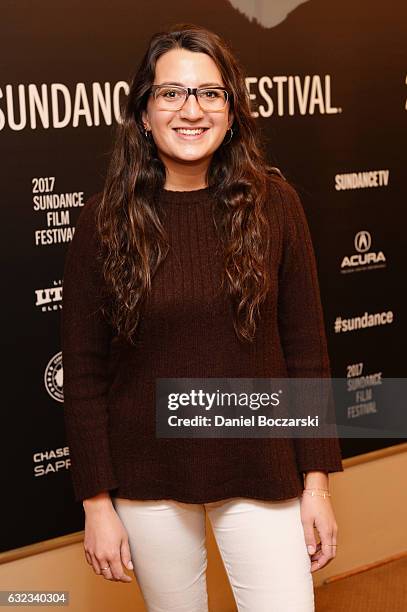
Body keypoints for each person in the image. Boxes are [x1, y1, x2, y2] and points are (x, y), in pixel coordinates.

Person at [61, 23, 343, 612]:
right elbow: (83, 375)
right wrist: (96, 504)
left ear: (233, 110)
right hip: (148, 479)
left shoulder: (276, 206)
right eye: (171, 93)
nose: (191, 110)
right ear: (144, 112)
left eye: (210, 93)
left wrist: (315, 482)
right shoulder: (103, 222)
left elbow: (307, 352)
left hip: (261, 467)